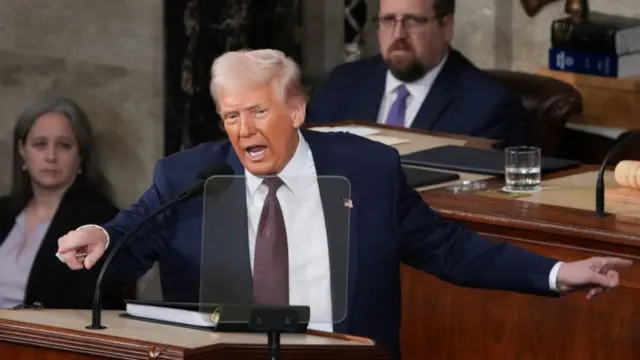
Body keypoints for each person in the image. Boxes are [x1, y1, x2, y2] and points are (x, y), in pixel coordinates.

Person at [57, 50, 631, 359]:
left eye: (258, 111)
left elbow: (450, 250)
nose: (243, 129)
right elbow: (130, 238)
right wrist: (103, 238)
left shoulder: (366, 171)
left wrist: (556, 271)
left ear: (297, 111)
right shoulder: (190, 176)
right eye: (231, 116)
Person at [308, 0, 528, 146]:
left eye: (413, 21)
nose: (398, 34)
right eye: (388, 20)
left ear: (446, 26)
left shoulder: (489, 106)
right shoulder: (343, 83)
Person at [0, 97, 124, 310]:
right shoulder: (2, 211)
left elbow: (88, 304)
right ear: (22, 150)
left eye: (64, 146)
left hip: (40, 339)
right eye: (40, 144)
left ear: (80, 155)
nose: (51, 156)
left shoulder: (100, 221)